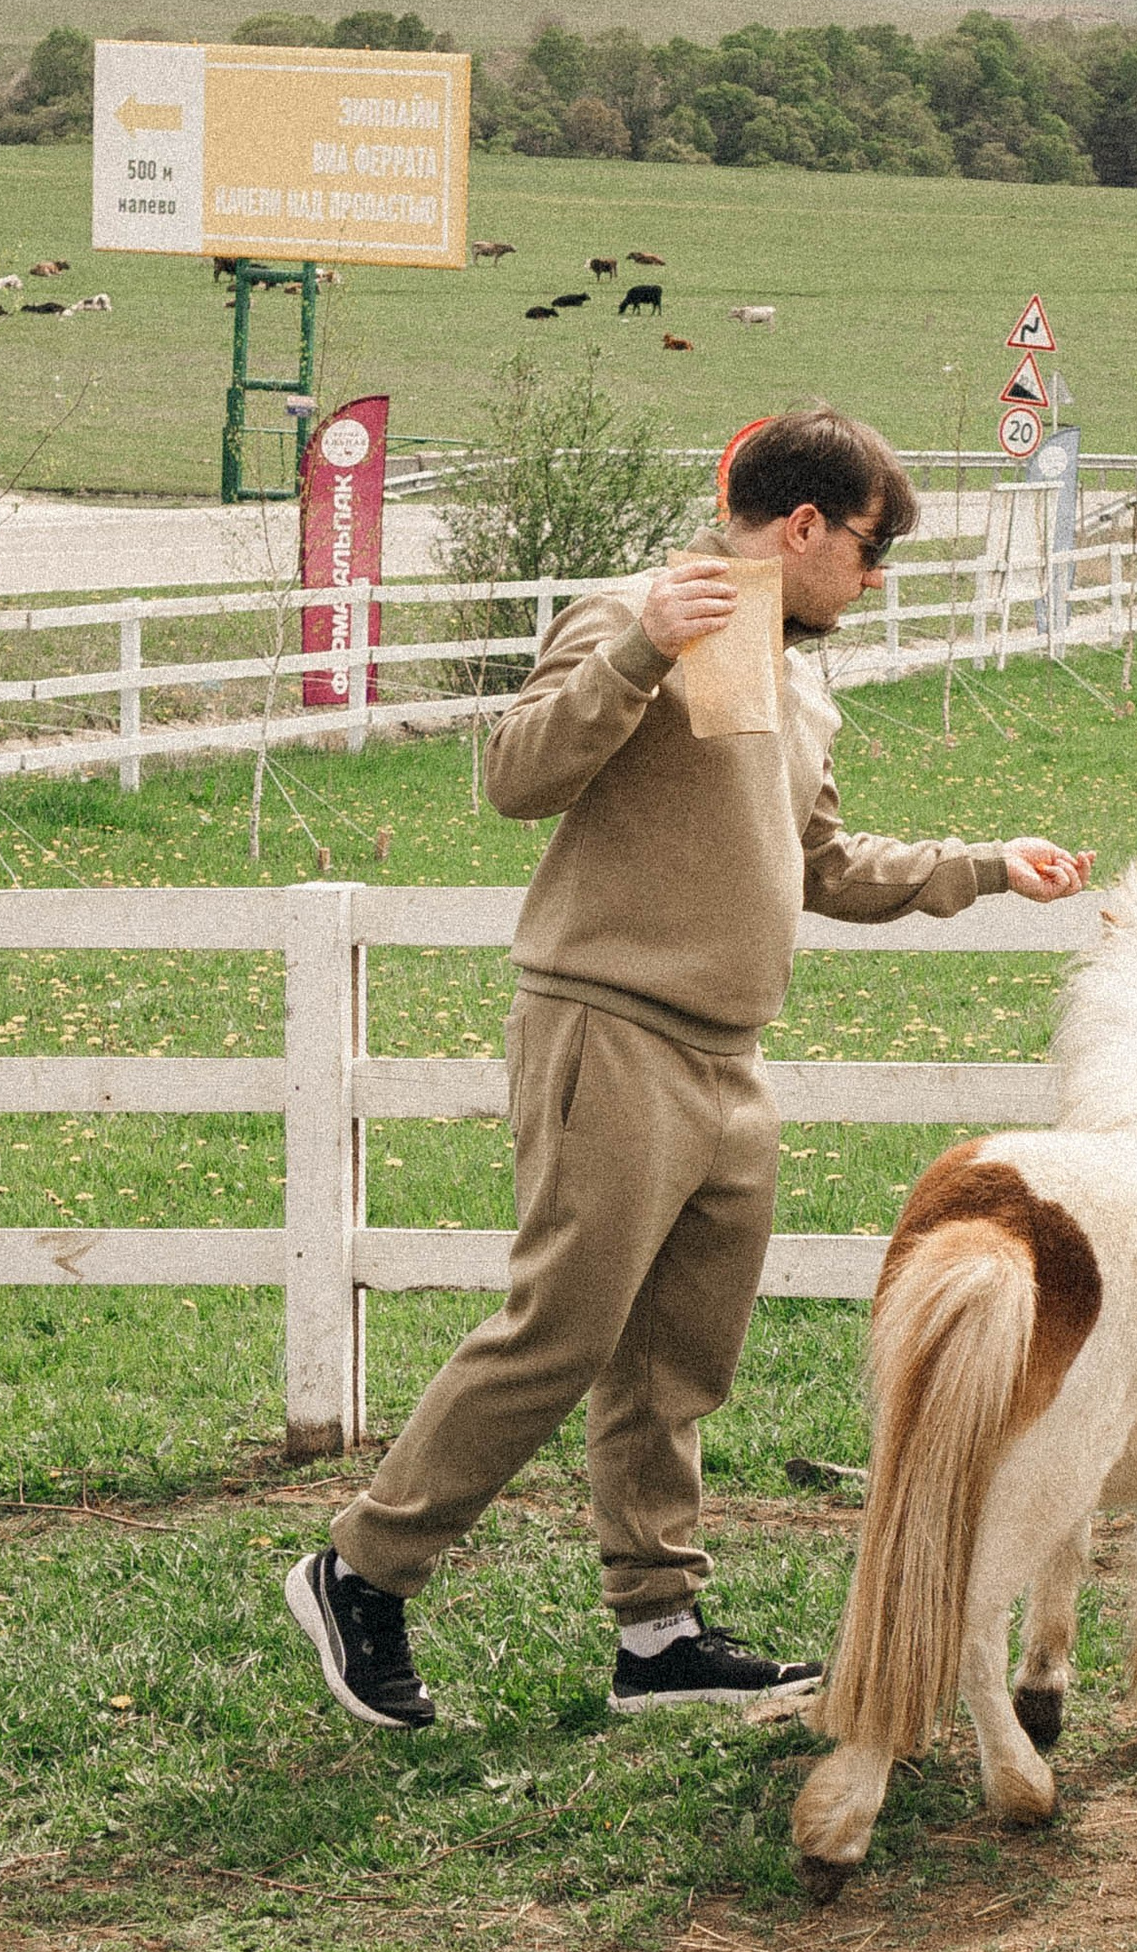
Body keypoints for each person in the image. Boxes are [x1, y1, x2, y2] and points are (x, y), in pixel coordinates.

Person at [284, 406, 1093, 1729]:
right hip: (608, 1031)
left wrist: (988, 867)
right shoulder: (640, 614)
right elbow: (514, 777)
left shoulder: (789, 662)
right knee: (560, 1336)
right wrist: (643, 649)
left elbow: (819, 864)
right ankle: (362, 1569)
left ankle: (656, 1633)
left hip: (728, 1063)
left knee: (675, 1364)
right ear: (806, 526)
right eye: (872, 556)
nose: (874, 587)